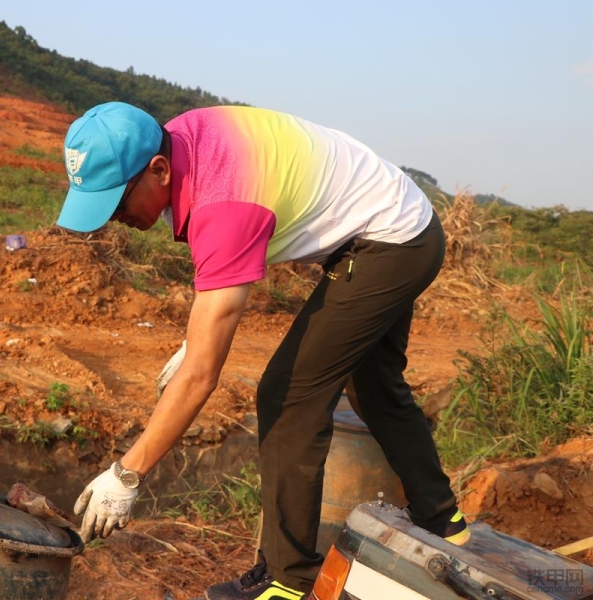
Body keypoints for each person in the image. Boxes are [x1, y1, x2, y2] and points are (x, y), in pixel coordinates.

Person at [59, 101, 468, 599]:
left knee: (288, 395)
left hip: (390, 242)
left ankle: (287, 579)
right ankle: (443, 519)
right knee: (374, 385)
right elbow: (240, 245)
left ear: (159, 170)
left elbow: (201, 376)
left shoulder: (222, 206)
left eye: (117, 203)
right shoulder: (183, 137)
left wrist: (127, 475)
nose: (115, 219)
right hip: (400, 220)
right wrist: (194, 338)